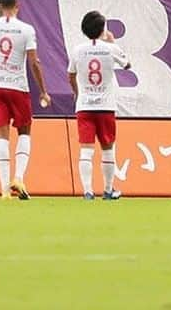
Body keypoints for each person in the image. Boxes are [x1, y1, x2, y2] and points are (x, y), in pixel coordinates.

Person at [0, 0, 49, 200]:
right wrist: (43, 90)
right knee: (24, 132)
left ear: (0, 5)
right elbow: (34, 62)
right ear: (18, 5)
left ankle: (3, 189)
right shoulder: (26, 30)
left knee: (1, 134)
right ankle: (18, 177)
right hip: (18, 86)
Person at [66, 10, 130, 200]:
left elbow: (70, 74)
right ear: (103, 29)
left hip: (85, 105)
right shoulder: (110, 48)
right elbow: (127, 64)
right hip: (106, 105)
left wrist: (78, 92)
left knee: (86, 149)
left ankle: (87, 191)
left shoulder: (78, 50)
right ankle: (108, 190)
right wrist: (112, 42)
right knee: (108, 148)